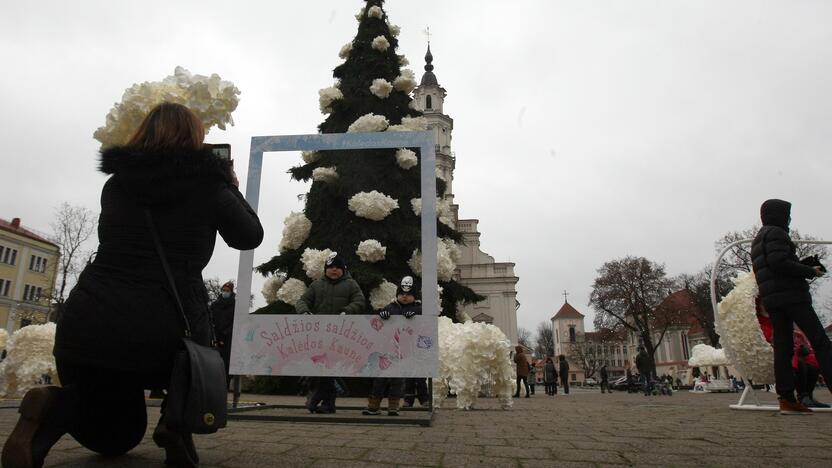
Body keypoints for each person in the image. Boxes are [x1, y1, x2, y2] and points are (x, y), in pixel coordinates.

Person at [1, 103, 264, 468]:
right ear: (195, 140)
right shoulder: (209, 186)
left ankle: (52, 405)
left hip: (88, 324)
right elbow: (249, 236)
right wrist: (227, 183)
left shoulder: (116, 184)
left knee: (115, 437)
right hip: (167, 329)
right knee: (197, 358)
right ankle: (176, 421)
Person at [751, 199, 832, 415]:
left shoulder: (759, 238)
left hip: (773, 299)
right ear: (779, 216)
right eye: (787, 215)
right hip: (791, 295)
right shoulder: (777, 233)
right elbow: (779, 263)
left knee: (783, 348)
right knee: (820, 341)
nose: (789, 219)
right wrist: (809, 271)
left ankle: (786, 398)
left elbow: (770, 265)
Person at [296, 253, 366, 414]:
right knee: (320, 366)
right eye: (330, 267)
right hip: (318, 335)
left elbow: (359, 301)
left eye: (337, 267)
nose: (334, 270)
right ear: (326, 269)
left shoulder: (351, 284)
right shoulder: (316, 285)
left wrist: (346, 312)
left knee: (329, 366)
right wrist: (304, 312)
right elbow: (302, 301)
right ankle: (324, 401)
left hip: (341, 335)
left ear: (343, 269)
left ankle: (321, 400)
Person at [363, 276, 420, 416]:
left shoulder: (418, 308)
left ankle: (393, 406)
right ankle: (374, 406)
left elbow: (424, 320)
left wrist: (416, 314)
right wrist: (383, 314)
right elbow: (380, 318)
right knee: (380, 378)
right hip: (387, 350)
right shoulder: (392, 307)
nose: (404, 297)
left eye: (408, 295)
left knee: (398, 380)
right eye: (402, 294)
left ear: (414, 296)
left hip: (404, 352)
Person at [209, 281, 236, 388]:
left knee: (226, 363)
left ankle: (225, 384)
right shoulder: (215, 305)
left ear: (231, 292)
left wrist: (225, 335)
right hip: (215, 337)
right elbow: (210, 319)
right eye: (223, 290)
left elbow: (234, 322)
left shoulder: (235, 306)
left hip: (228, 339)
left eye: (227, 291)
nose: (225, 292)